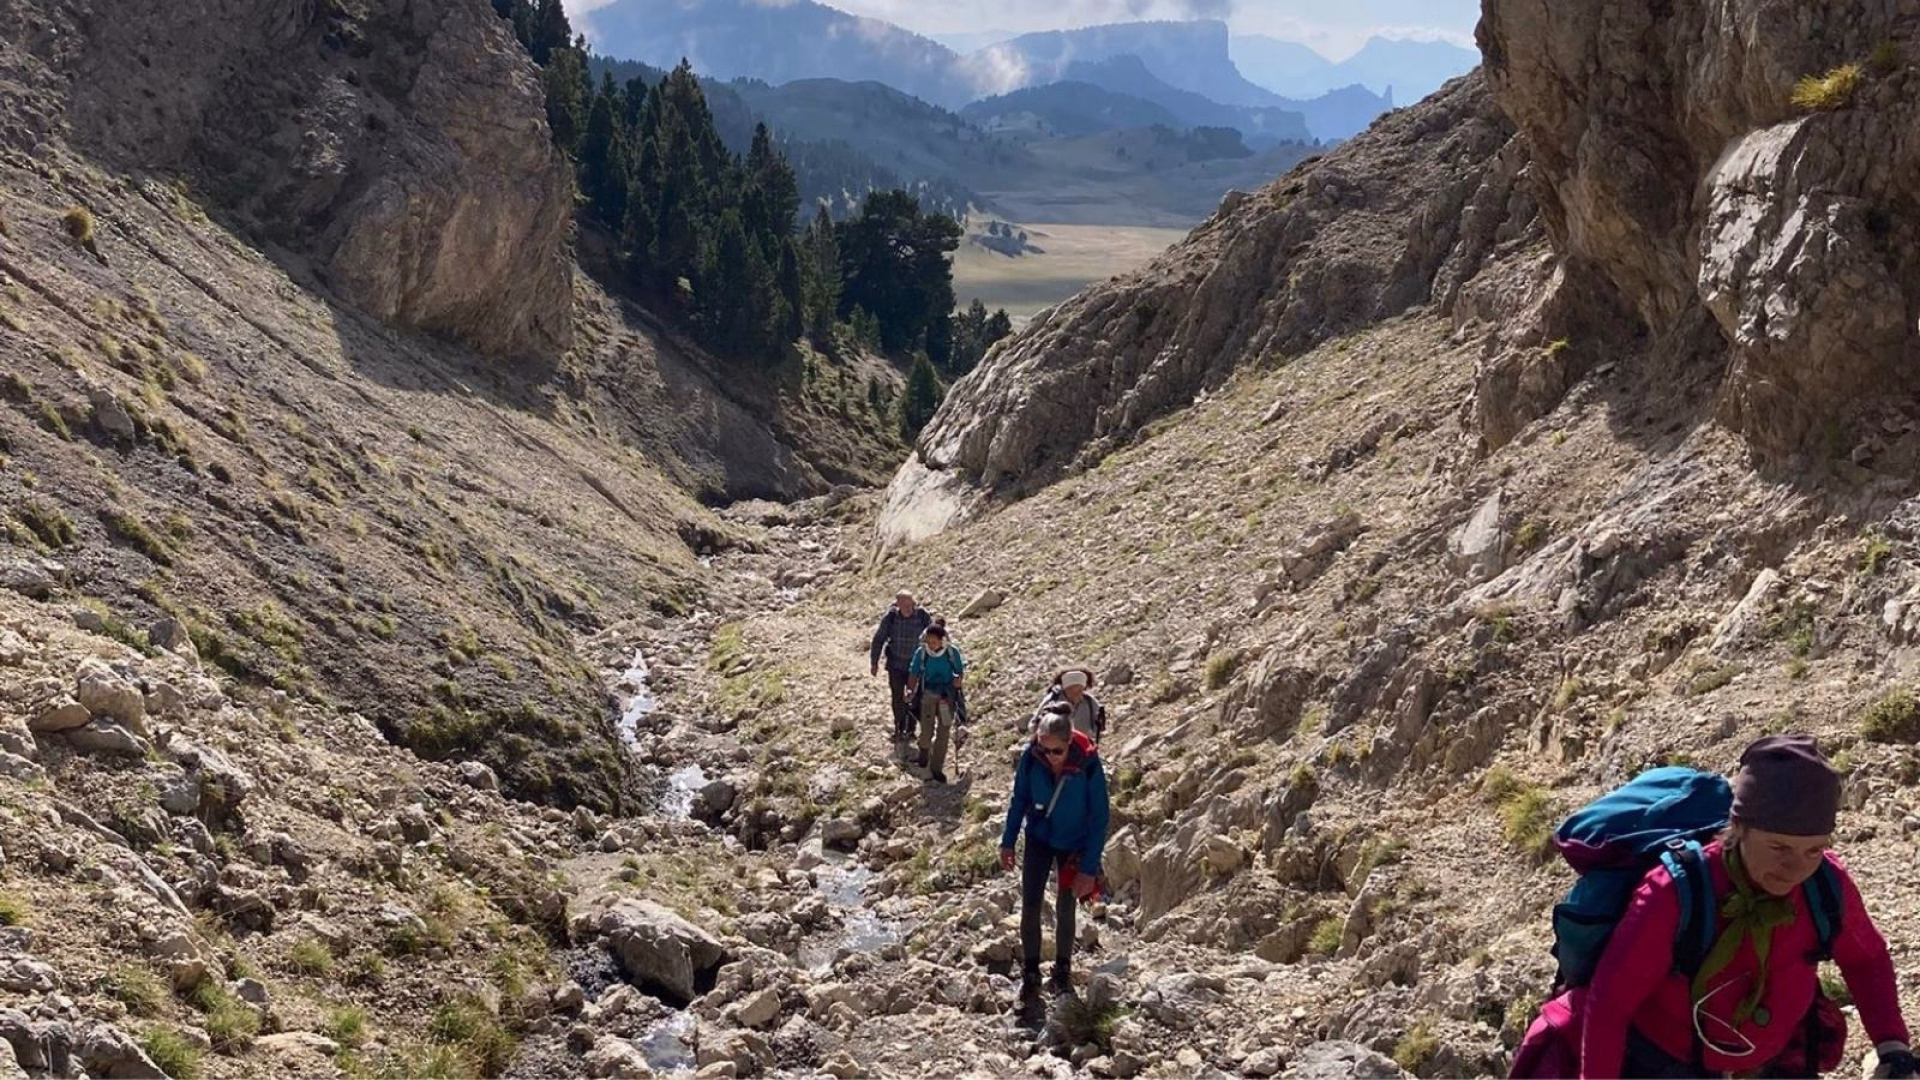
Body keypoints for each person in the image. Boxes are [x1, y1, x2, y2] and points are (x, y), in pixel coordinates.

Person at [1580, 735, 1915, 1079]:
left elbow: (1865, 957)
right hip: (1669, 1064)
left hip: (1778, 1061)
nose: (1796, 868)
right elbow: (1609, 1006)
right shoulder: (1674, 892)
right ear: (1738, 828)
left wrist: (1892, 1045)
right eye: (1779, 847)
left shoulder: (1826, 884)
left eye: (1813, 850)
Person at [1000, 710, 1111, 996]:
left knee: (1065, 906)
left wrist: (1089, 868)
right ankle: (1031, 971)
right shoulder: (1030, 757)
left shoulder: (1087, 762)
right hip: (1039, 837)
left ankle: (1063, 969)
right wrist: (1008, 841)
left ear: (1069, 742)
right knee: (1031, 905)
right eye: (1045, 749)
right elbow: (1019, 799)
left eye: (1057, 751)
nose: (1051, 756)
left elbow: (1099, 816)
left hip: (1073, 843)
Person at [869, 591, 931, 746]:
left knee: (915, 698)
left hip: (917, 667)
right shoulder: (891, 618)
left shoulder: (922, 616)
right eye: (906, 605)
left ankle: (911, 730)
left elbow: (934, 635)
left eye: (912, 604)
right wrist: (874, 662)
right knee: (897, 698)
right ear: (898, 605)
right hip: (896, 664)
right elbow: (879, 639)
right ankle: (899, 728)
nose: (910, 608)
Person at [906, 622, 964, 783]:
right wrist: (910, 690)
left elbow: (959, 671)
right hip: (928, 696)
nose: (931, 645)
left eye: (934, 641)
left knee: (943, 733)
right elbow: (914, 672)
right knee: (926, 729)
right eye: (928, 641)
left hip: (947, 697)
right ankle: (923, 754)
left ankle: (936, 768)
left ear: (942, 640)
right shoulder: (922, 653)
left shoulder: (952, 653)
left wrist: (958, 681)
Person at [1029, 667, 1105, 742]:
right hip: (1055, 747)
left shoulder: (1089, 702)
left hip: (1081, 746)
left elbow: (1098, 728)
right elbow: (1033, 725)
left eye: (1080, 690)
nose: (1077, 694)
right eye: (1073, 690)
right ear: (1065, 689)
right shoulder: (1052, 700)